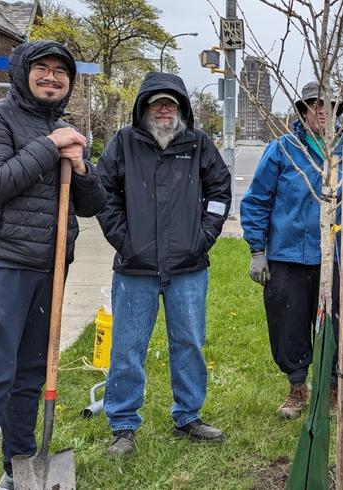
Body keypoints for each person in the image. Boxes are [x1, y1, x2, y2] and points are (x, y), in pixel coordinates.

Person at [0, 40, 106, 489]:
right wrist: (49, 144)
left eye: (62, 72)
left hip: (47, 272)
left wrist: (79, 166)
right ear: (22, 73)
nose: (52, 77)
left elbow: (91, 205)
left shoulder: (65, 129)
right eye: (42, 68)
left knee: (26, 380)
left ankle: (19, 472)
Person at [96, 72, 232, 456]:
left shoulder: (198, 144)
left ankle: (188, 416)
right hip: (134, 268)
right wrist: (124, 239)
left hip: (188, 268)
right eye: (156, 102)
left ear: (182, 108)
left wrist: (202, 237)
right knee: (127, 347)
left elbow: (220, 190)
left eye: (171, 102)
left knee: (189, 342)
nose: (163, 108)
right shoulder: (124, 143)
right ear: (143, 107)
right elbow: (103, 193)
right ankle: (122, 425)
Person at [241, 81, 343, 419]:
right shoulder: (282, 150)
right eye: (315, 105)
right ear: (303, 111)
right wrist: (258, 249)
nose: (322, 112)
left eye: (329, 107)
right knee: (288, 323)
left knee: (337, 325)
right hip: (289, 256)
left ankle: (331, 388)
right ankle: (297, 386)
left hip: (338, 255)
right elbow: (257, 200)